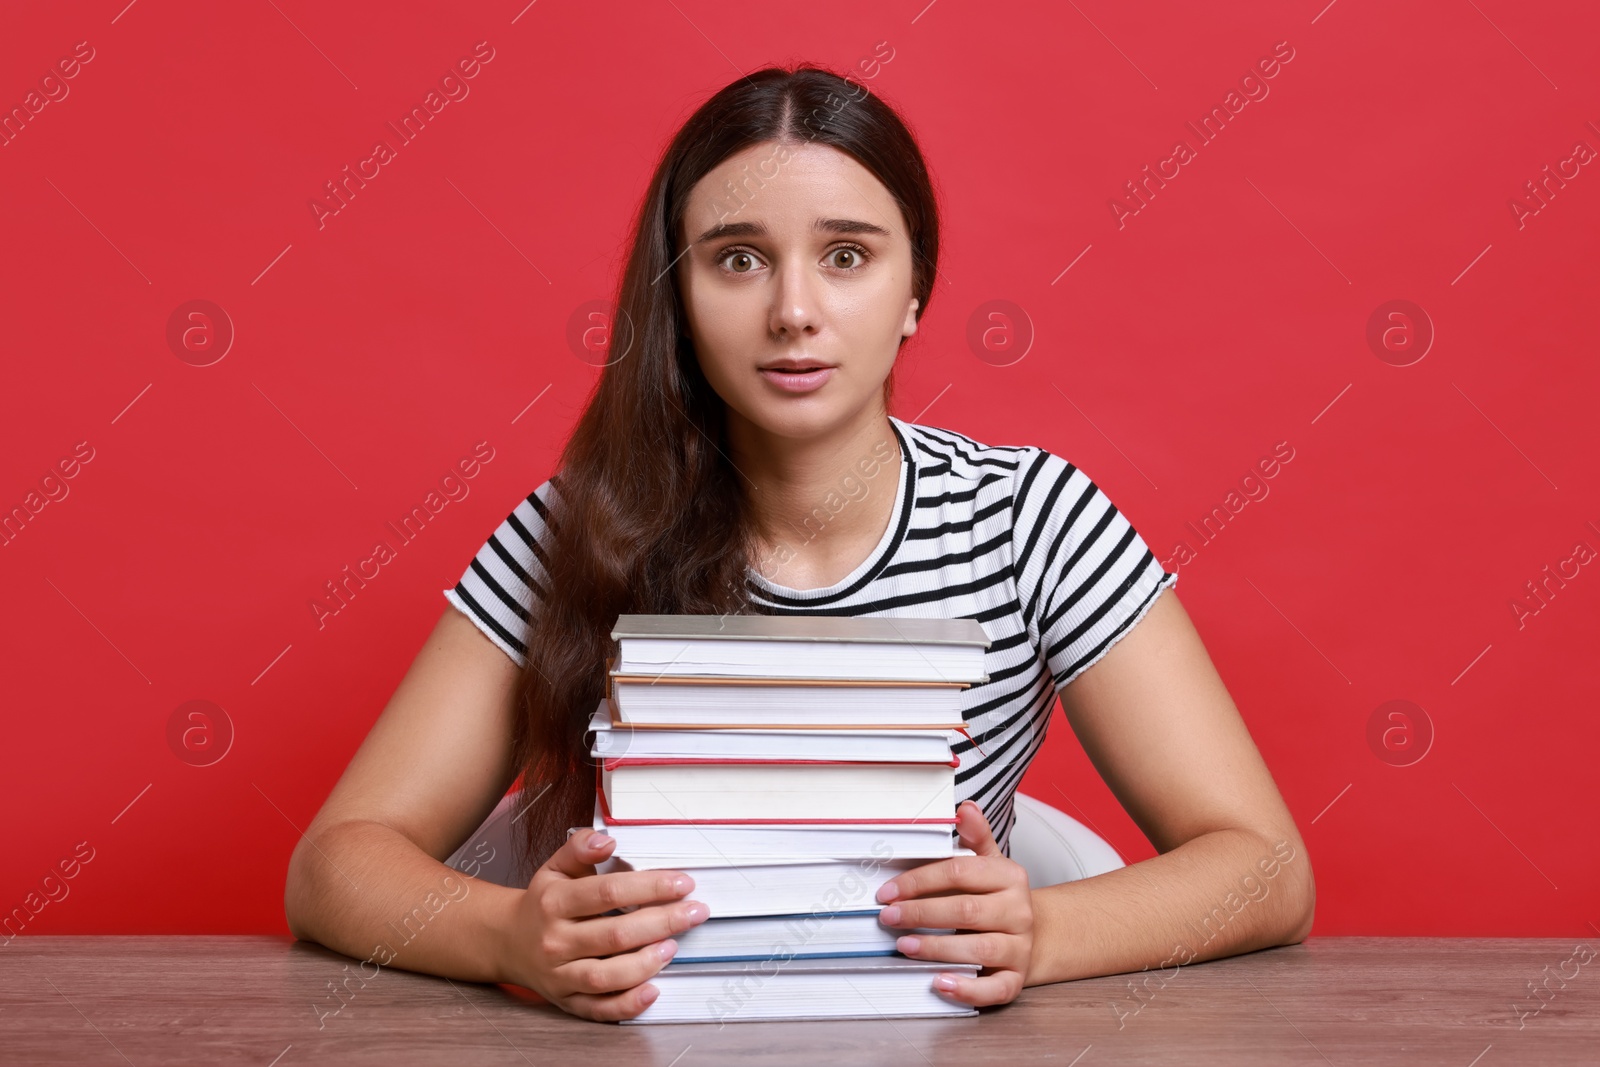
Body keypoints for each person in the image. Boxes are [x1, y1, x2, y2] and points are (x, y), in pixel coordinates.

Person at [284, 63, 1314, 1023]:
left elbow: (1266, 866)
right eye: (737, 259)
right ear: (679, 299)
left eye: (847, 256)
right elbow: (333, 863)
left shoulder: (1029, 519)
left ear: (915, 291)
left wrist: (1040, 928)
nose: (792, 310)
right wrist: (508, 931)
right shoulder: (576, 527)